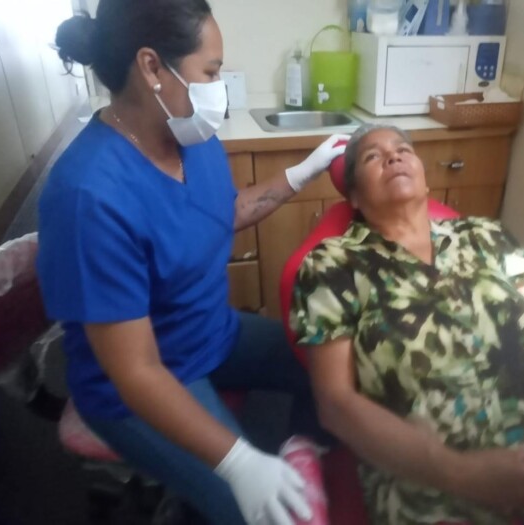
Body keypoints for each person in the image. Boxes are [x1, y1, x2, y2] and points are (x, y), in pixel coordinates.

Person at [36, 2, 347, 524]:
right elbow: (136, 371)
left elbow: (219, 212)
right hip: (139, 384)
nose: (218, 87)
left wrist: (302, 172)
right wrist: (240, 463)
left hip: (211, 333)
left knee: (336, 366)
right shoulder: (89, 196)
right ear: (152, 67)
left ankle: (302, 454)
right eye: (211, 71)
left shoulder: (188, 138)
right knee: (260, 514)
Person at [290, 124, 524, 525]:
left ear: (424, 178)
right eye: (373, 156)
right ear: (355, 196)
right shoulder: (333, 265)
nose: (393, 156)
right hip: (435, 497)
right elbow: (335, 404)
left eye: (403, 149)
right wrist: (460, 474)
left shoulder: (486, 234)